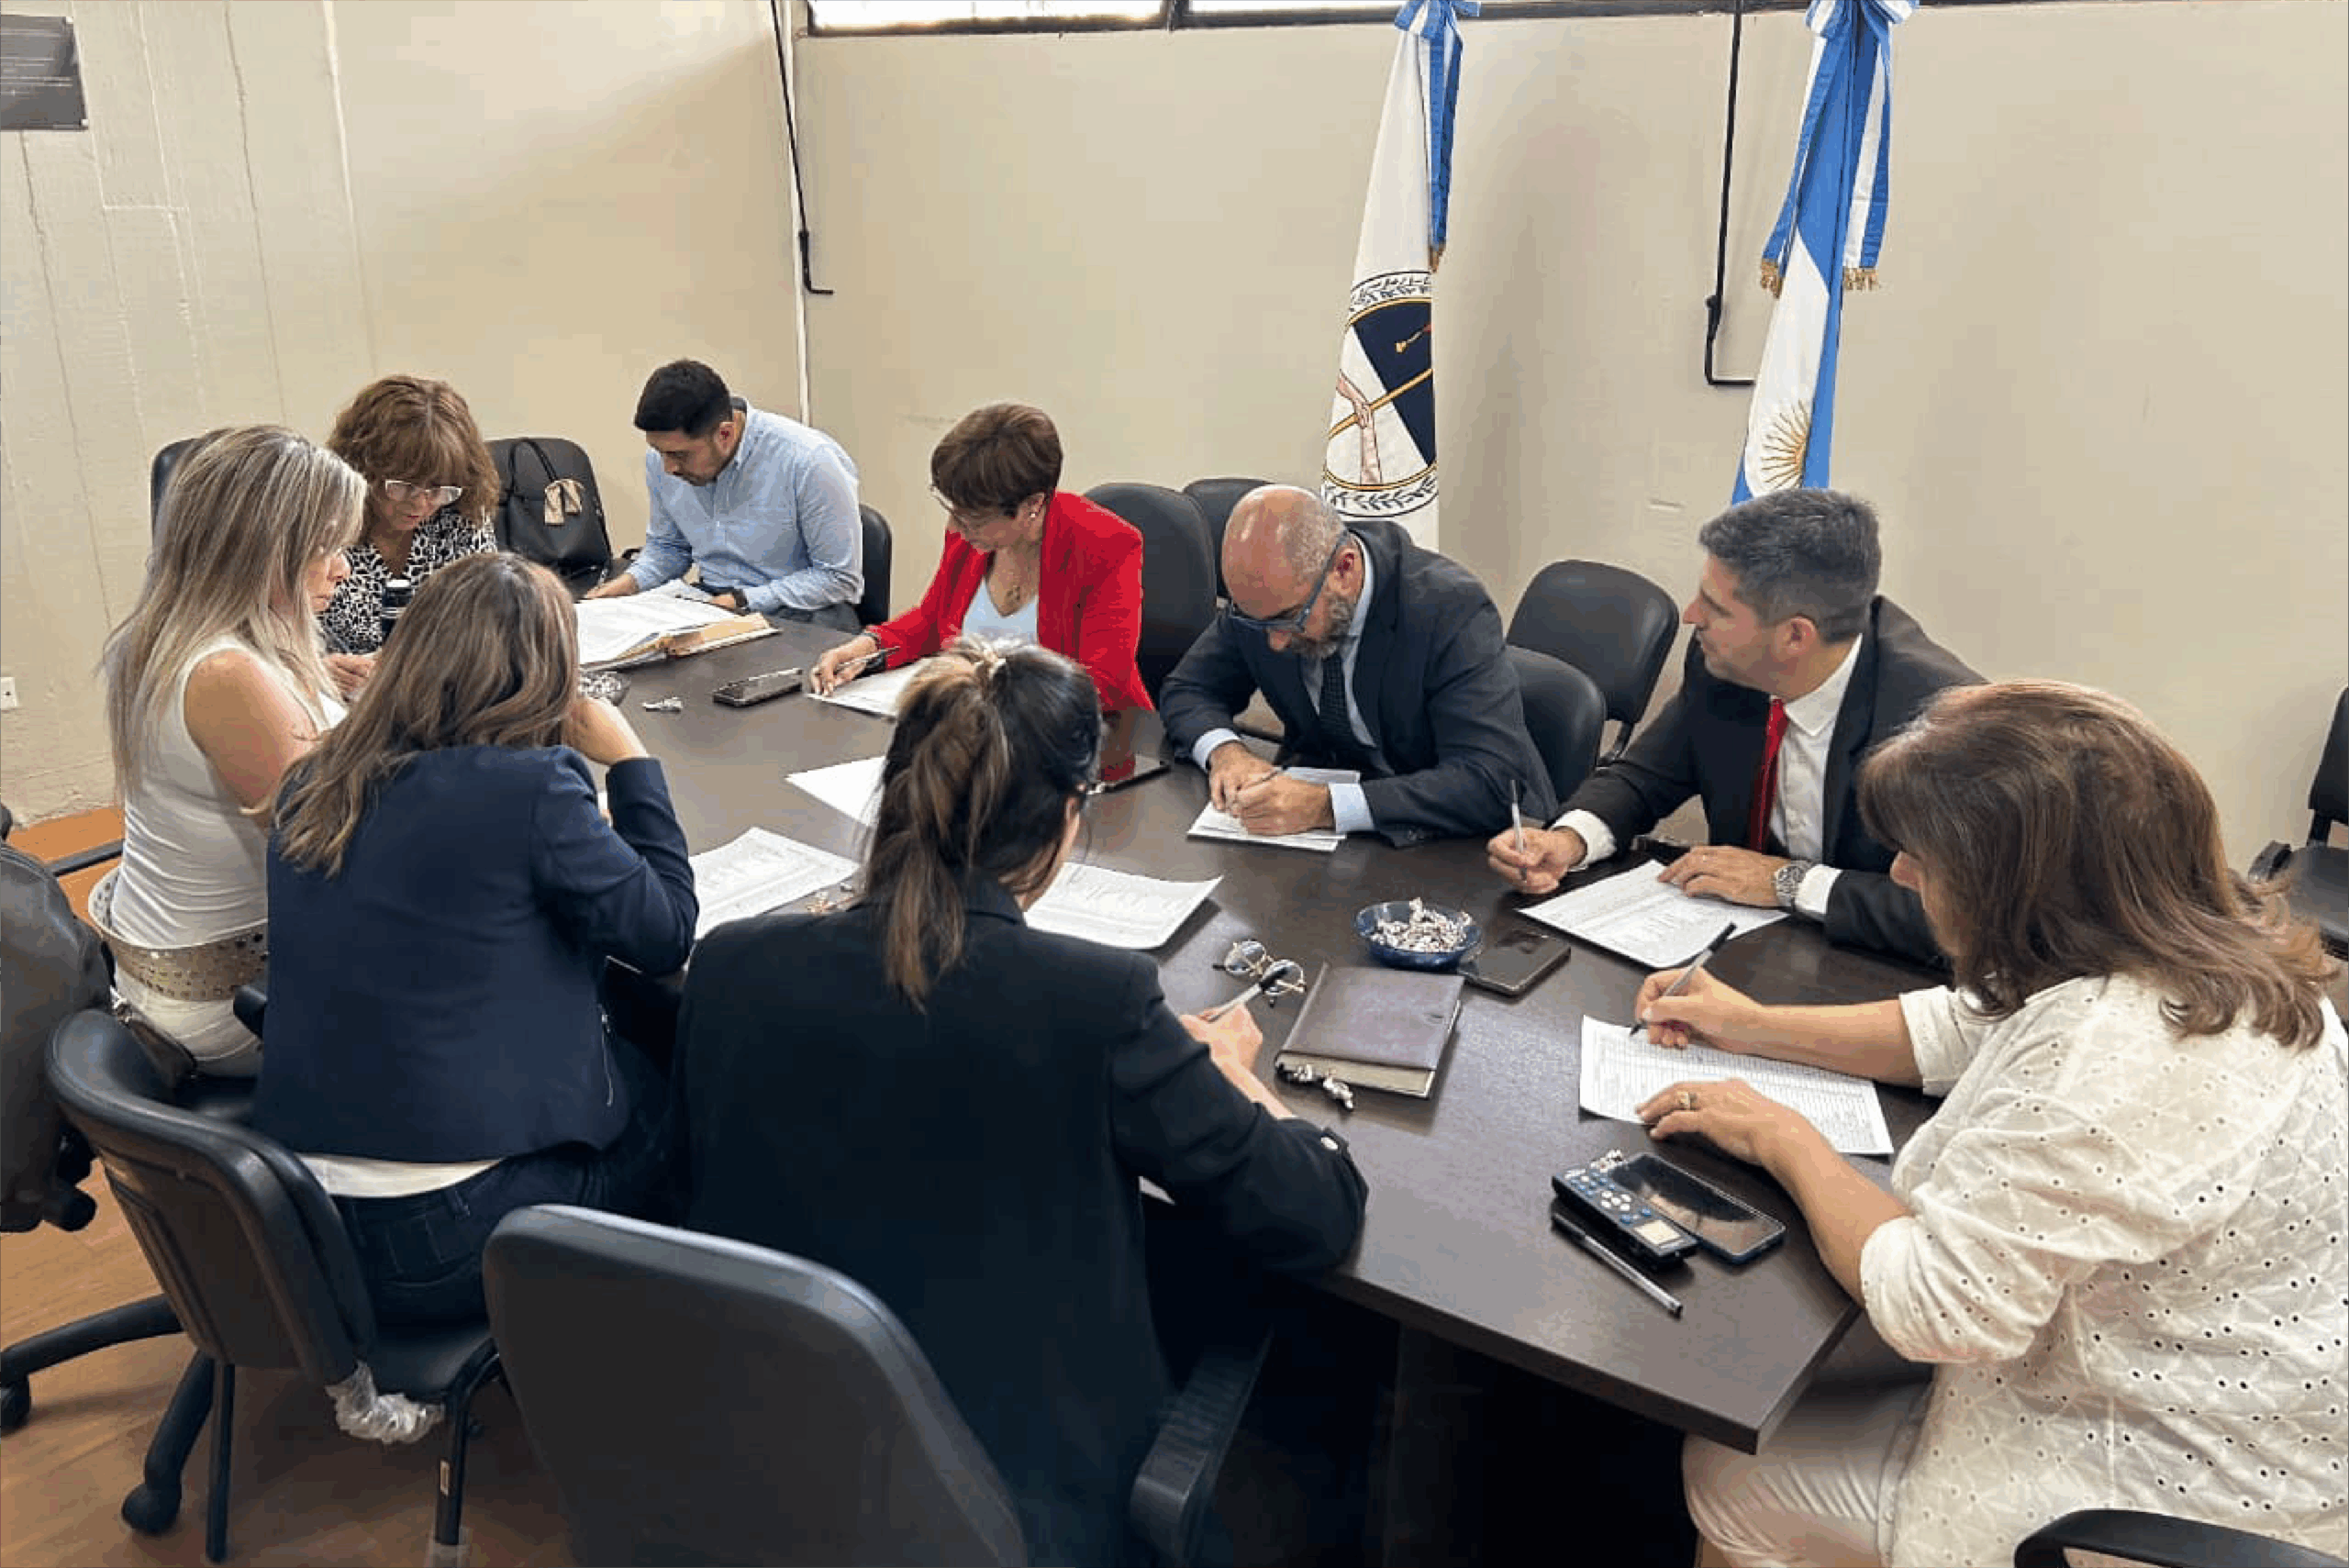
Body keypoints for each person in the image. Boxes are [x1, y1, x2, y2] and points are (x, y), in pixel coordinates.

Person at [1625, 682, 2346, 1568]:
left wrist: (1782, 1134)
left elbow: (1933, 1305)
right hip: (2260, 1393)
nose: (1900, 874)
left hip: (2174, 1481)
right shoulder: (2203, 949)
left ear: (2015, 882)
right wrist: (1753, 1025)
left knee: (1732, 1469)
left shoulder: (2112, 1057)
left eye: (1923, 857)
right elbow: (1964, 1025)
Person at [676, 640, 1367, 1564]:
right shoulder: (1100, 1003)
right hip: (1016, 1511)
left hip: (771, 1462)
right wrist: (1236, 1073)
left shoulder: (729, 965)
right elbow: (1316, 1214)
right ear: (1067, 818)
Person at [256, 554, 696, 1325]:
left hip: (300, 1220)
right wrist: (631, 760)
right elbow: (665, 933)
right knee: (679, 1089)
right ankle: (655, 1335)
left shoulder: (313, 781)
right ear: (547, 678)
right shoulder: (531, 791)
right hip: (448, 1234)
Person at [1487, 488, 1977, 962]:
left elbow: (1973, 917)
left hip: (1877, 977)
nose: (1690, 616)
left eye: (1716, 608)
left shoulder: (1943, 725)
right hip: (1742, 954)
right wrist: (1568, 841)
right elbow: (1643, 779)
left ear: (1795, 636)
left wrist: (1789, 883)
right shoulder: (1724, 665)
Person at [95, 426, 362, 1076]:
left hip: (171, 971)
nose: (343, 568)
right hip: (235, 1004)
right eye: (324, 548)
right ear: (260, 552)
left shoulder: (159, 636)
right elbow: (345, 849)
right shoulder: (226, 676)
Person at [1158, 484, 1556, 847]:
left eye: (1289, 619)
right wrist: (1227, 753)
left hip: (1468, 844)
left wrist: (1326, 806)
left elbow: (1488, 779)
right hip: (1330, 843)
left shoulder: (1448, 608)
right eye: (1253, 621)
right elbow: (1189, 688)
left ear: (1344, 570)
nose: (1274, 642)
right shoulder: (1265, 602)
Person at [807, 402, 1151, 712]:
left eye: (973, 517)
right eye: (953, 509)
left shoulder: (1107, 545)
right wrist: (867, 648)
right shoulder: (970, 537)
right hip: (979, 728)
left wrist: (975, 689)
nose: (955, 527)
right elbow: (931, 621)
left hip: (1086, 739)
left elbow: (1101, 684)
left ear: (1032, 504)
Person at [583, 359, 863, 629]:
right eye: (659, 452)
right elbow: (669, 547)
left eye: (679, 455)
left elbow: (838, 578)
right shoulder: (663, 461)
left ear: (725, 434)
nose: (668, 468)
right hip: (714, 603)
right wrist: (628, 584)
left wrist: (742, 600)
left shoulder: (809, 460)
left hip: (803, 614)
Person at [319, 373, 499, 684]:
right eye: (404, 486)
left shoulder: (462, 514)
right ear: (362, 468)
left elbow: (488, 621)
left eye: (437, 489)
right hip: (349, 697)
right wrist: (319, 670)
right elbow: (280, 642)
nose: (421, 504)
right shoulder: (326, 524)